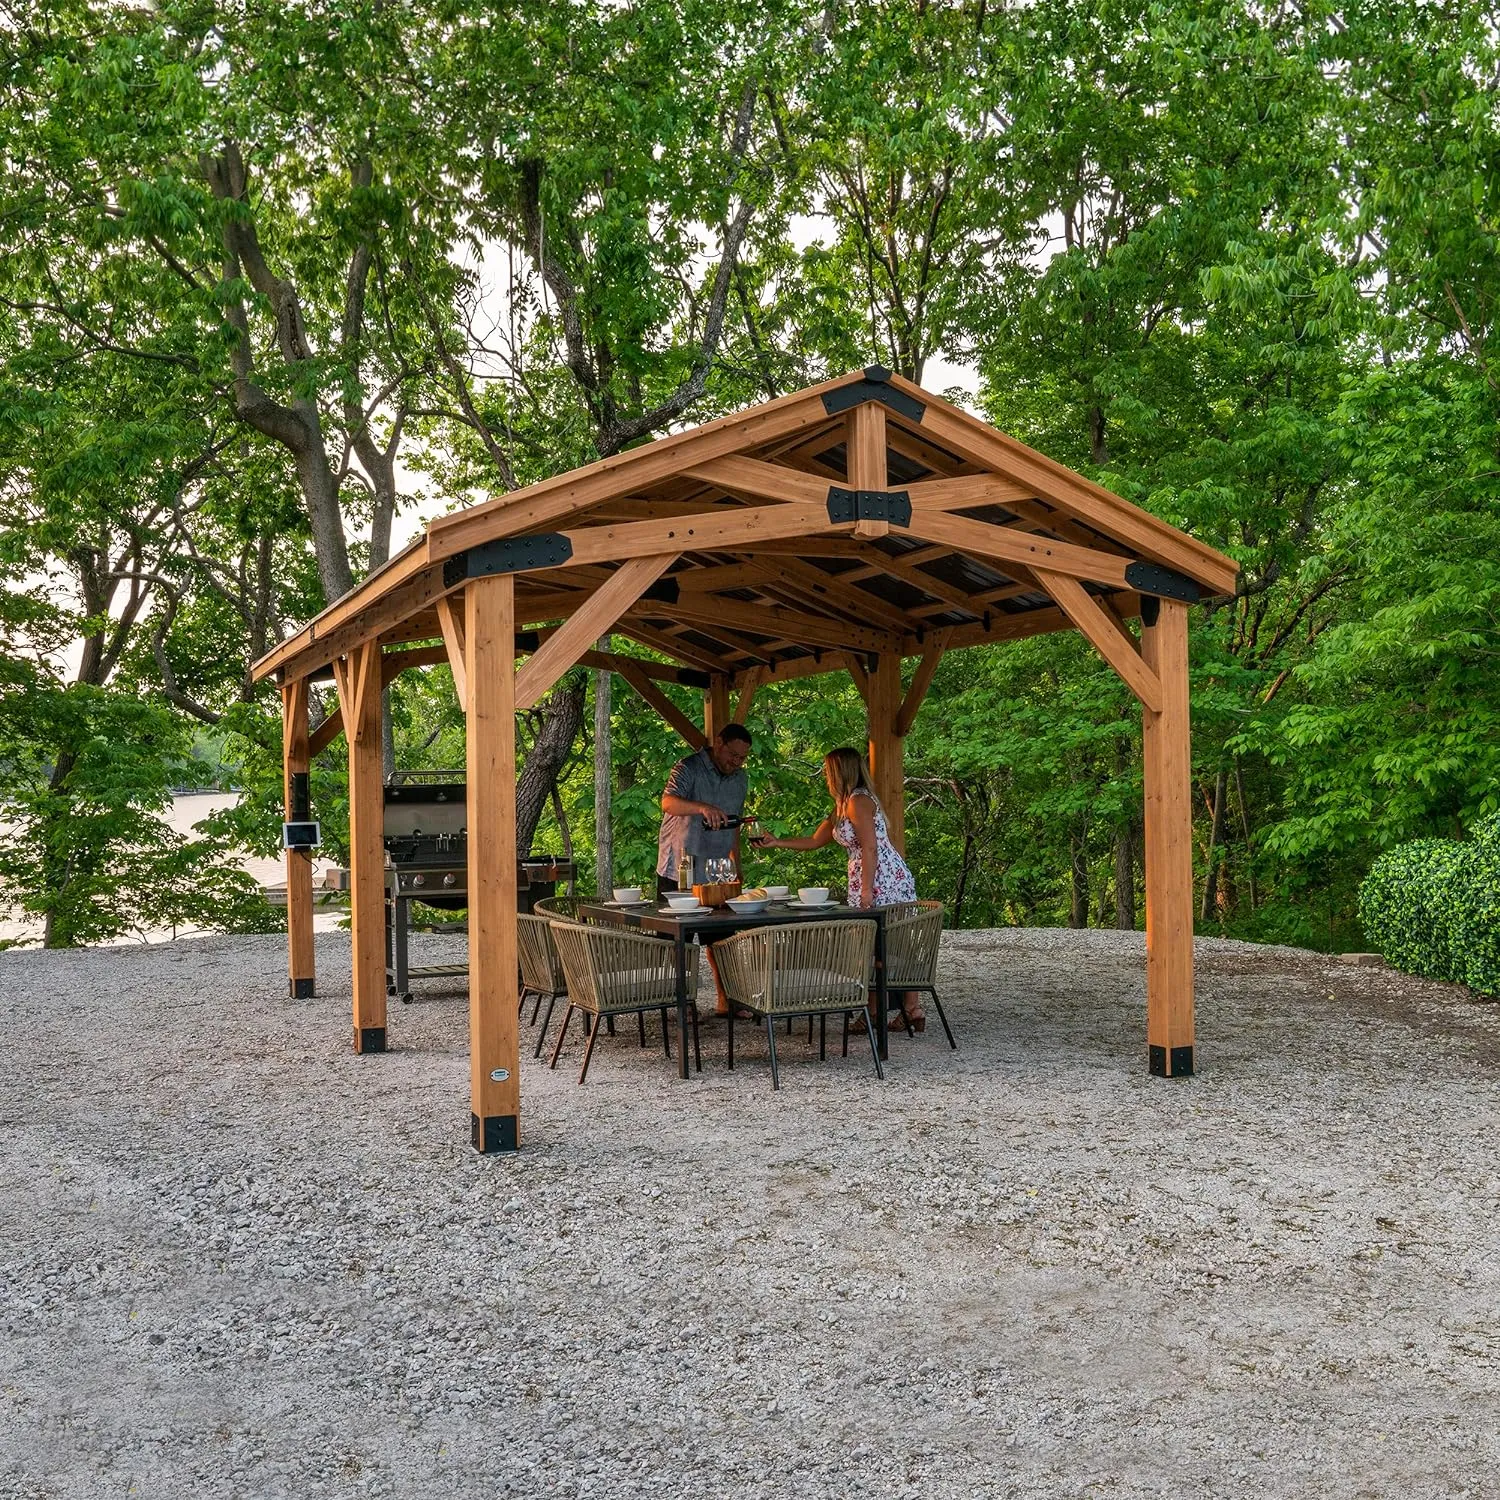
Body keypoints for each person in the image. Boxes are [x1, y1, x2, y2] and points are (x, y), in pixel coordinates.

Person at [752, 746, 924, 1030]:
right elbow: (815, 841)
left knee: (888, 943)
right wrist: (776, 842)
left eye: (827, 771)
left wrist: (867, 890)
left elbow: (870, 847)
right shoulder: (842, 806)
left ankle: (905, 1009)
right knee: (870, 945)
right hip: (864, 876)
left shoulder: (858, 801)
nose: (824, 777)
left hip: (884, 879)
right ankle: (883, 1011)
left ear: (839, 772)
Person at [657, 723, 753, 899]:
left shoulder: (741, 779)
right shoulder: (688, 767)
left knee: (720, 925)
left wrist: (737, 868)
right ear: (718, 743)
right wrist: (702, 807)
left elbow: (734, 827)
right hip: (680, 873)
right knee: (678, 925)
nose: (736, 762)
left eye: (742, 758)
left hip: (718, 875)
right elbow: (667, 802)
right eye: (733, 755)